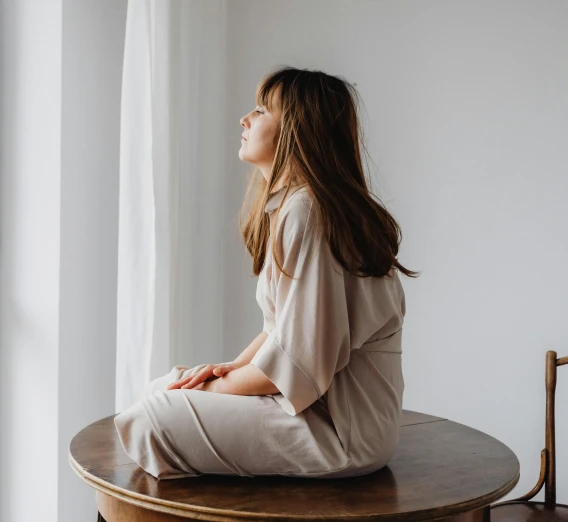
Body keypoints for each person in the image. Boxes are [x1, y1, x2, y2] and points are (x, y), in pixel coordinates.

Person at [113, 66, 418, 480]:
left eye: (260, 110)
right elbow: (281, 330)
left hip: (340, 433)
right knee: (162, 388)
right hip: (317, 410)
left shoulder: (308, 212)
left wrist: (214, 387)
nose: (245, 119)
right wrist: (223, 371)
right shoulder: (299, 206)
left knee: (154, 414)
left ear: (296, 129)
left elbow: (299, 364)